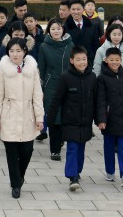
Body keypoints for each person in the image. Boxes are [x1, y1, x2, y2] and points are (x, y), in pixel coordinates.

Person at [0, 38, 44, 198]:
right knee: (11, 151)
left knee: (27, 151)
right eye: (11, 51)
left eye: (18, 50)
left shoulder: (32, 69)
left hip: (28, 114)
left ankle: (19, 175)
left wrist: (39, 117)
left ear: (25, 51)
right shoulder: (3, 69)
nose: (15, 54)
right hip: (9, 113)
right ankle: (15, 184)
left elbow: (38, 94)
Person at [49, 45, 97, 192]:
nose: (82, 62)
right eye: (78, 59)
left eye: (84, 59)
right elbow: (57, 99)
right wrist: (49, 120)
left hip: (86, 121)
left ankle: (77, 171)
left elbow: (96, 99)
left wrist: (99, 119)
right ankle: (72, 177)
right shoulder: (66, 77)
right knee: (72, 148)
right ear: (71, 61)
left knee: (81, 149)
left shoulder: (92, 77)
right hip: (70, 120)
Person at [96, 47, 123, 188]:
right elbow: (101, 101)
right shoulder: (102, 78)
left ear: (121, 60)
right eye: (111, 60)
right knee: (109, 146)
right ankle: (110, 172)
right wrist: (101, 120)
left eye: (117, 60)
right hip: (109, 119)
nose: (114, 62)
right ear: (106, 60)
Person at [37, 19, 73, 160]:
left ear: (62, 29)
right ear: (49, 31)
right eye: (53, 29)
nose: (56, 31)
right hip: (51, 85)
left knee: (66, 116)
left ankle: (62, 139)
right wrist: (41, 89)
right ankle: (55, 149)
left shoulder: (70, 45)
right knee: (54, 118)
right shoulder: (44, 46)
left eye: (58, 28)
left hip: (69, 85)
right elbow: (42, 68)